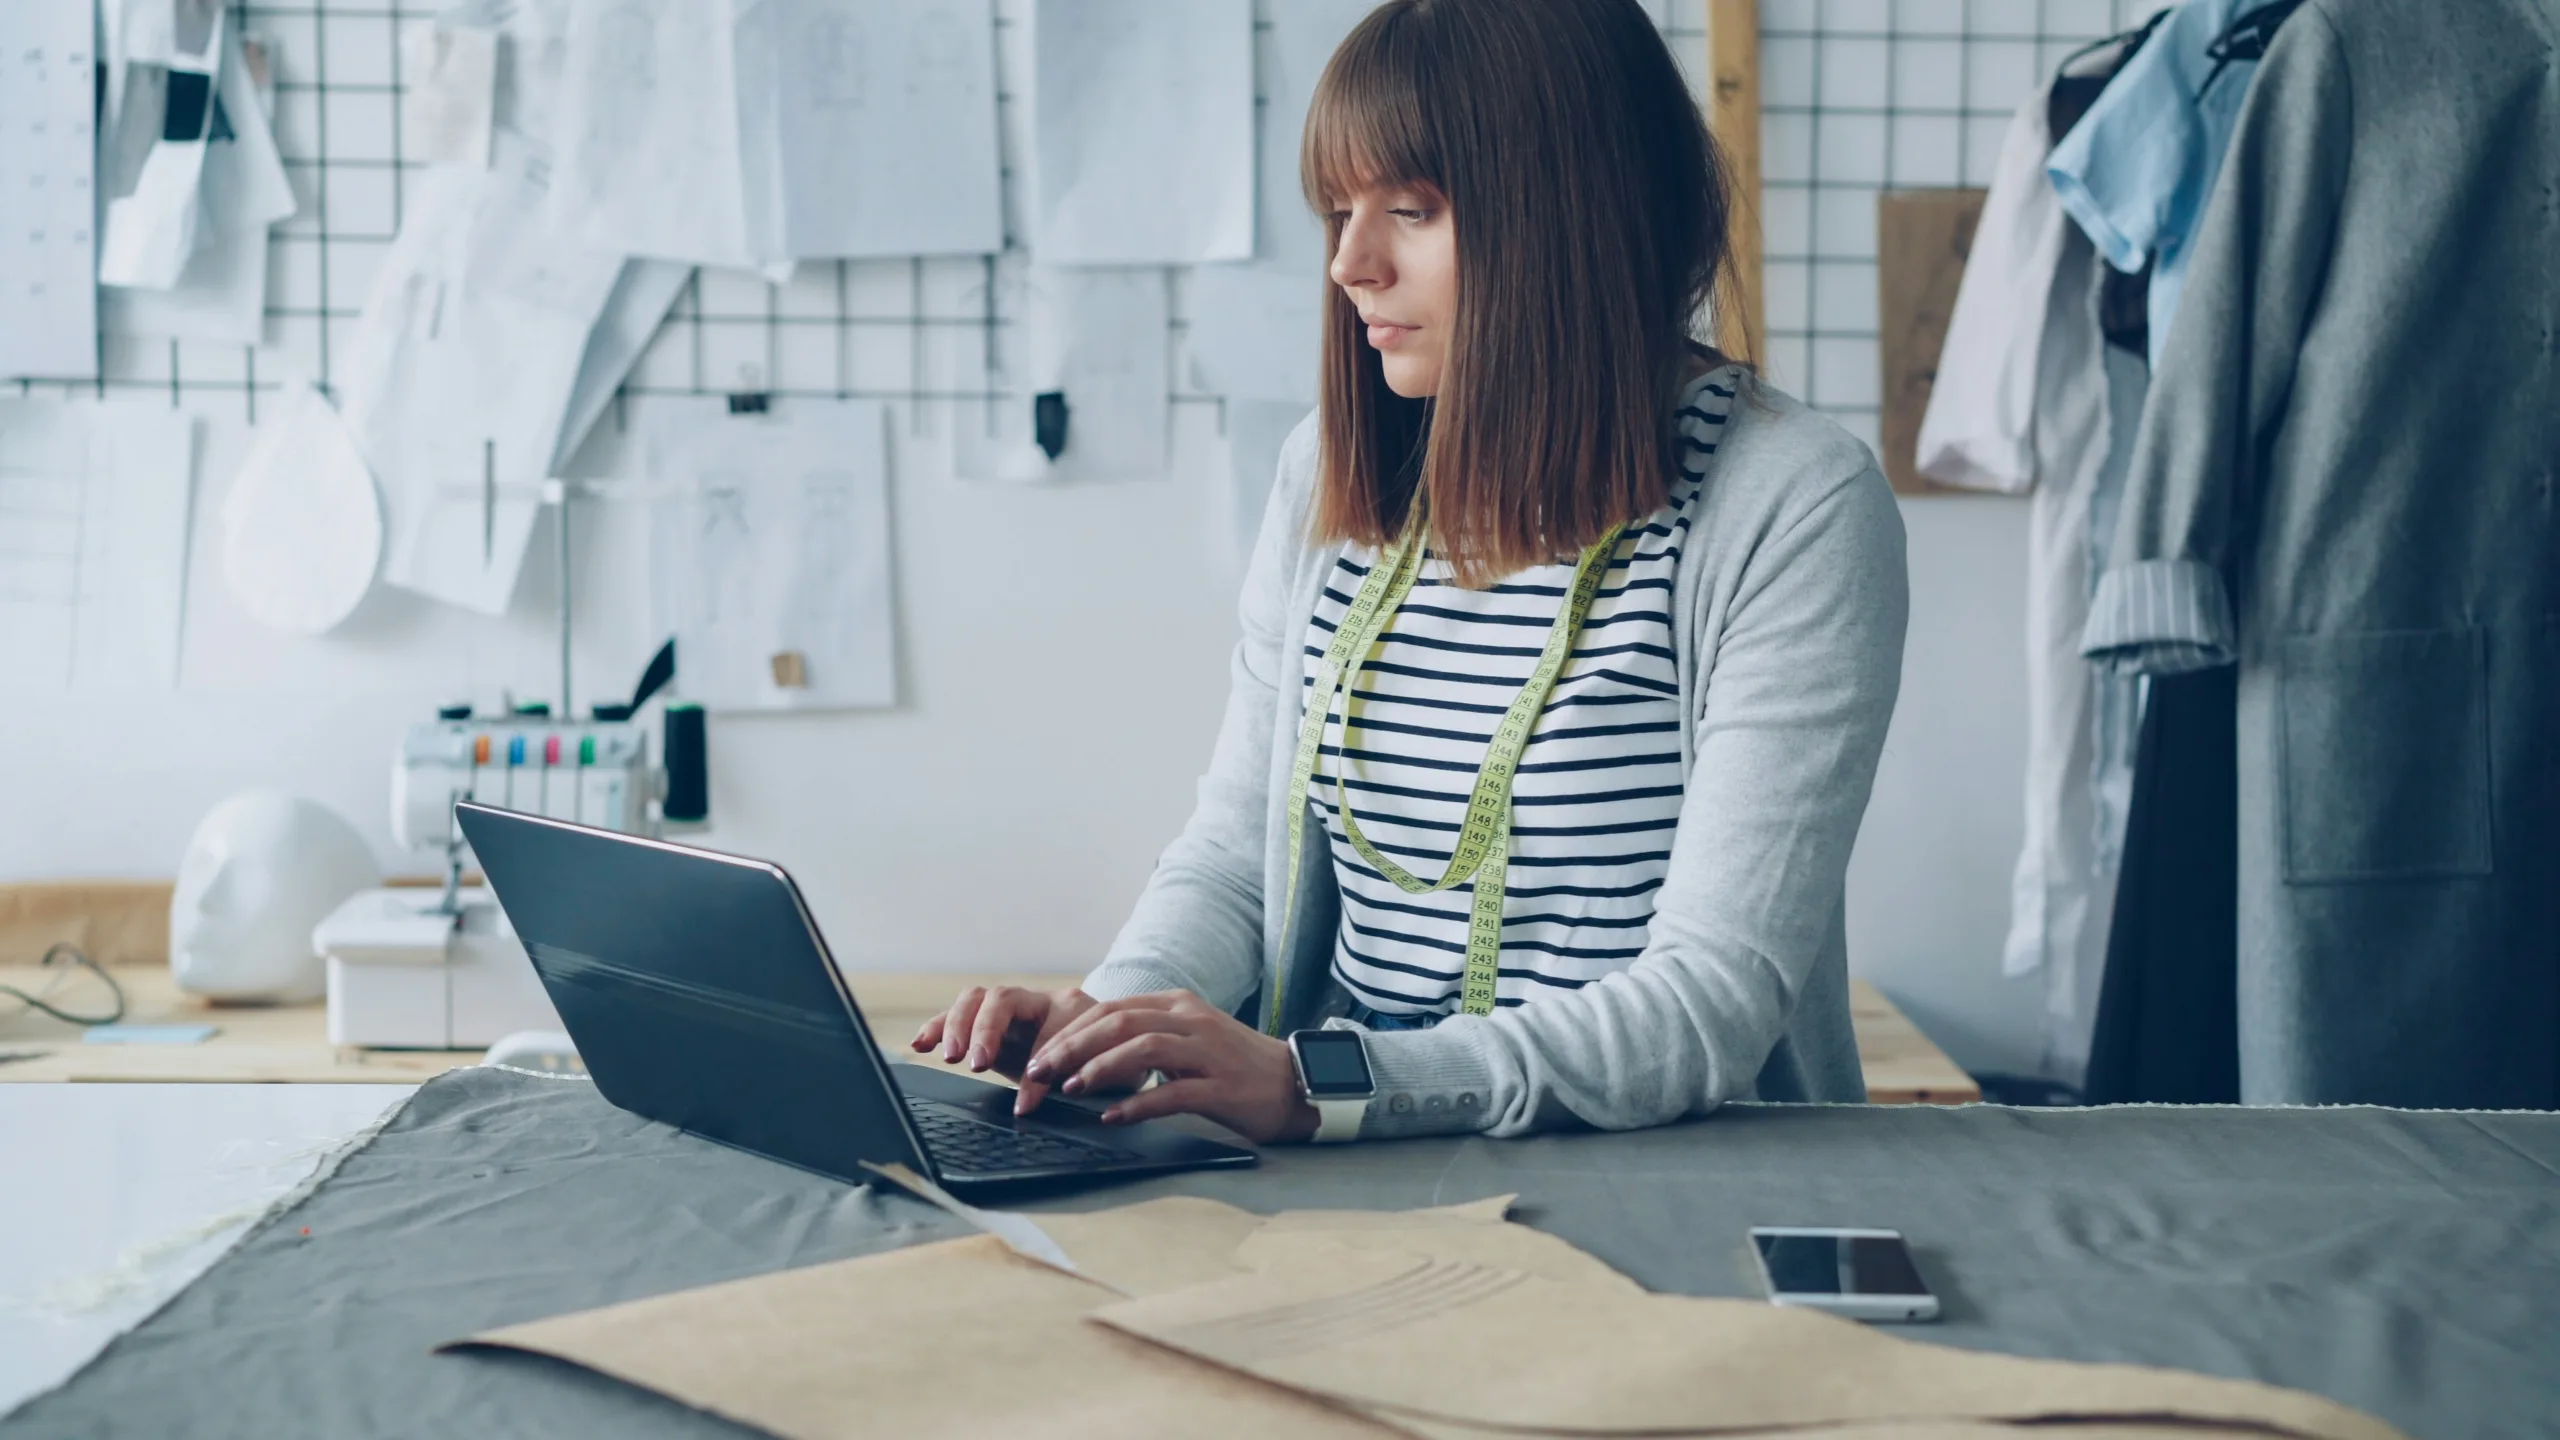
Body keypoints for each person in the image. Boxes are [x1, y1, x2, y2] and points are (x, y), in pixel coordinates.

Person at [913, 0, 1908, 1144]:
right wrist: (1106, 1021)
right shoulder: (1330, 472)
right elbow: (1239, 852)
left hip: (1667, 1174)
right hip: (1355, 1147)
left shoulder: (1791, 505)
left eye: (1411, 211)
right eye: (1339, 212)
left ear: (1572, 213)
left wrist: (1321, 1085)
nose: (1350, 264)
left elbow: (1706, 1004)